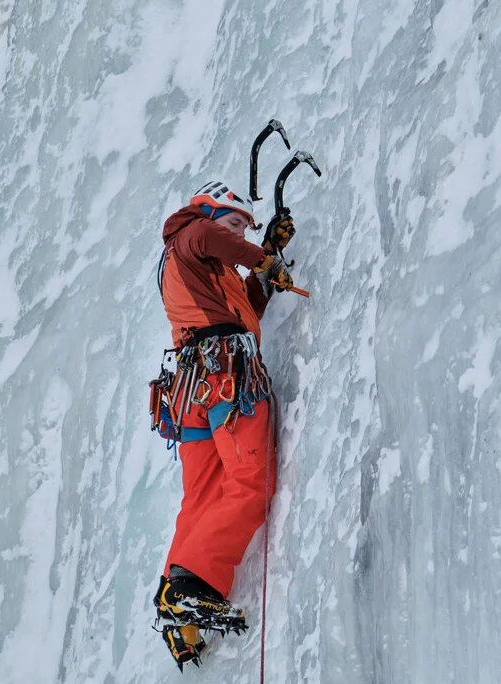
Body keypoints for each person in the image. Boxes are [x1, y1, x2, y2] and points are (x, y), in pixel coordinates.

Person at [151, 180, 296, 669]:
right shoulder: (191, 235)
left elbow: (247, 308)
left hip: (192, 391)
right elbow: (217, 242)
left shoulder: (206, 270)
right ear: (208, 213)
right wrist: (260, 254)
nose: (238, 236)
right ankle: (194, 581)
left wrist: (269, 256)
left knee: (203, 496)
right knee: (252, 484)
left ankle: (177, 604)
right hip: (224, 373)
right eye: (234, 222)